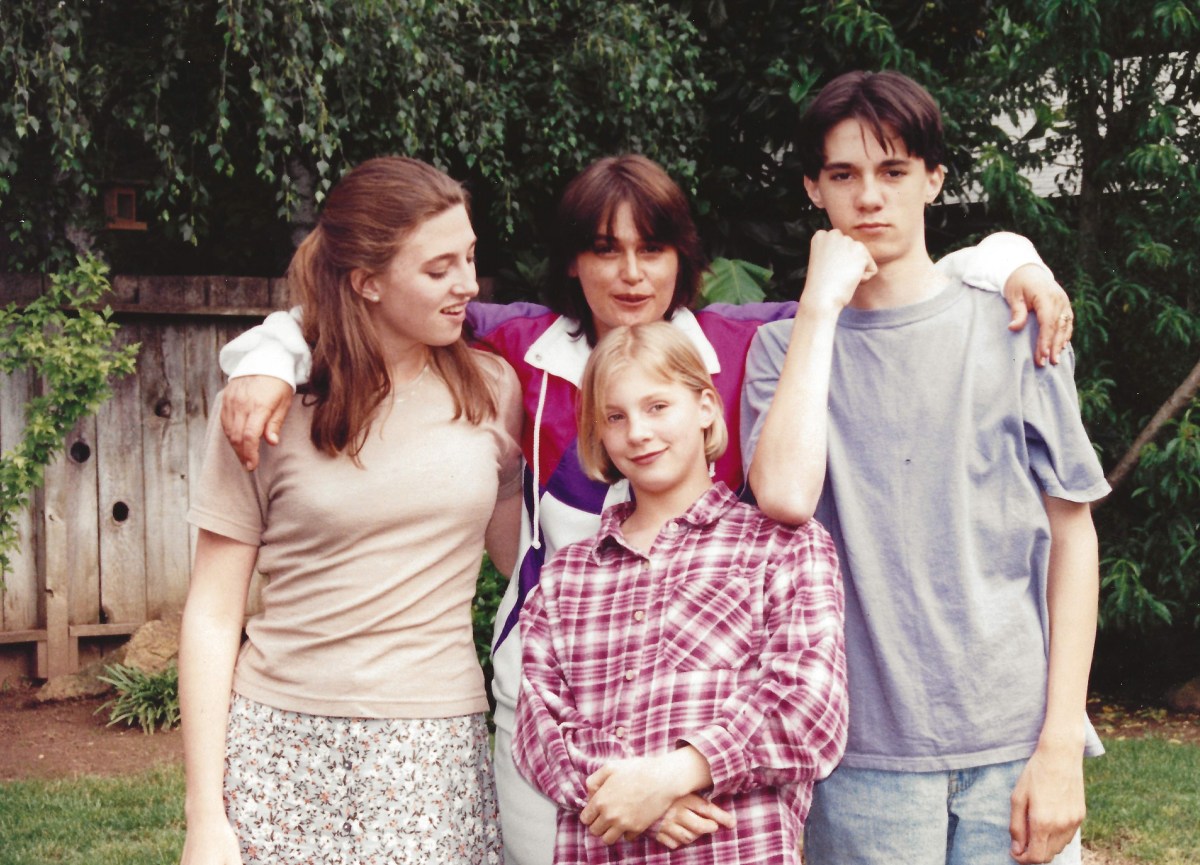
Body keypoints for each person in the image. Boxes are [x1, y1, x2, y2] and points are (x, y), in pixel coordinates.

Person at [214, 154, 1075, 865]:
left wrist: (1009, 256)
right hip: (558, 691)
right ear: (573, 262)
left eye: (652, 249)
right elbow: (372, 295)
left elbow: (894, 273)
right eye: (604, 250)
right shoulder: (519, 344)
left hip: (709, 714)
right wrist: (271, 351)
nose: (630, 274)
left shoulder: (738, 344)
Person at [741, 71, 1108, 865]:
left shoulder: (1017, 327)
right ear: (814, 189)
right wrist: (818, 307)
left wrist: (1060, 742)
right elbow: (784, 495)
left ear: (934, 179)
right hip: (858, 758)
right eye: (843, 175)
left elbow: (1073, 538)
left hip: (1015, 745)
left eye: (894, 170)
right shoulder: (782, 352)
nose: (869, 197)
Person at [178, 156, 523, 865]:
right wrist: (204, 816)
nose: (467, 283)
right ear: (367, 281)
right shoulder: (261, 409)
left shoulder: (493, 389)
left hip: (433, 748)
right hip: (279, 744)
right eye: (439, 268)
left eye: (470, 258)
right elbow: (212, 610)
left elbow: (518, 554)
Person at [513, 321, 847, 864]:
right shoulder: (565, 578)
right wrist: (641, 802)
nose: (638, 432)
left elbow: (811, 712)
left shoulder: (781, 546)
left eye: (658, 407)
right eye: (615, 417)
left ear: (706, 407)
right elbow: (538, 732)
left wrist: (675, 774)